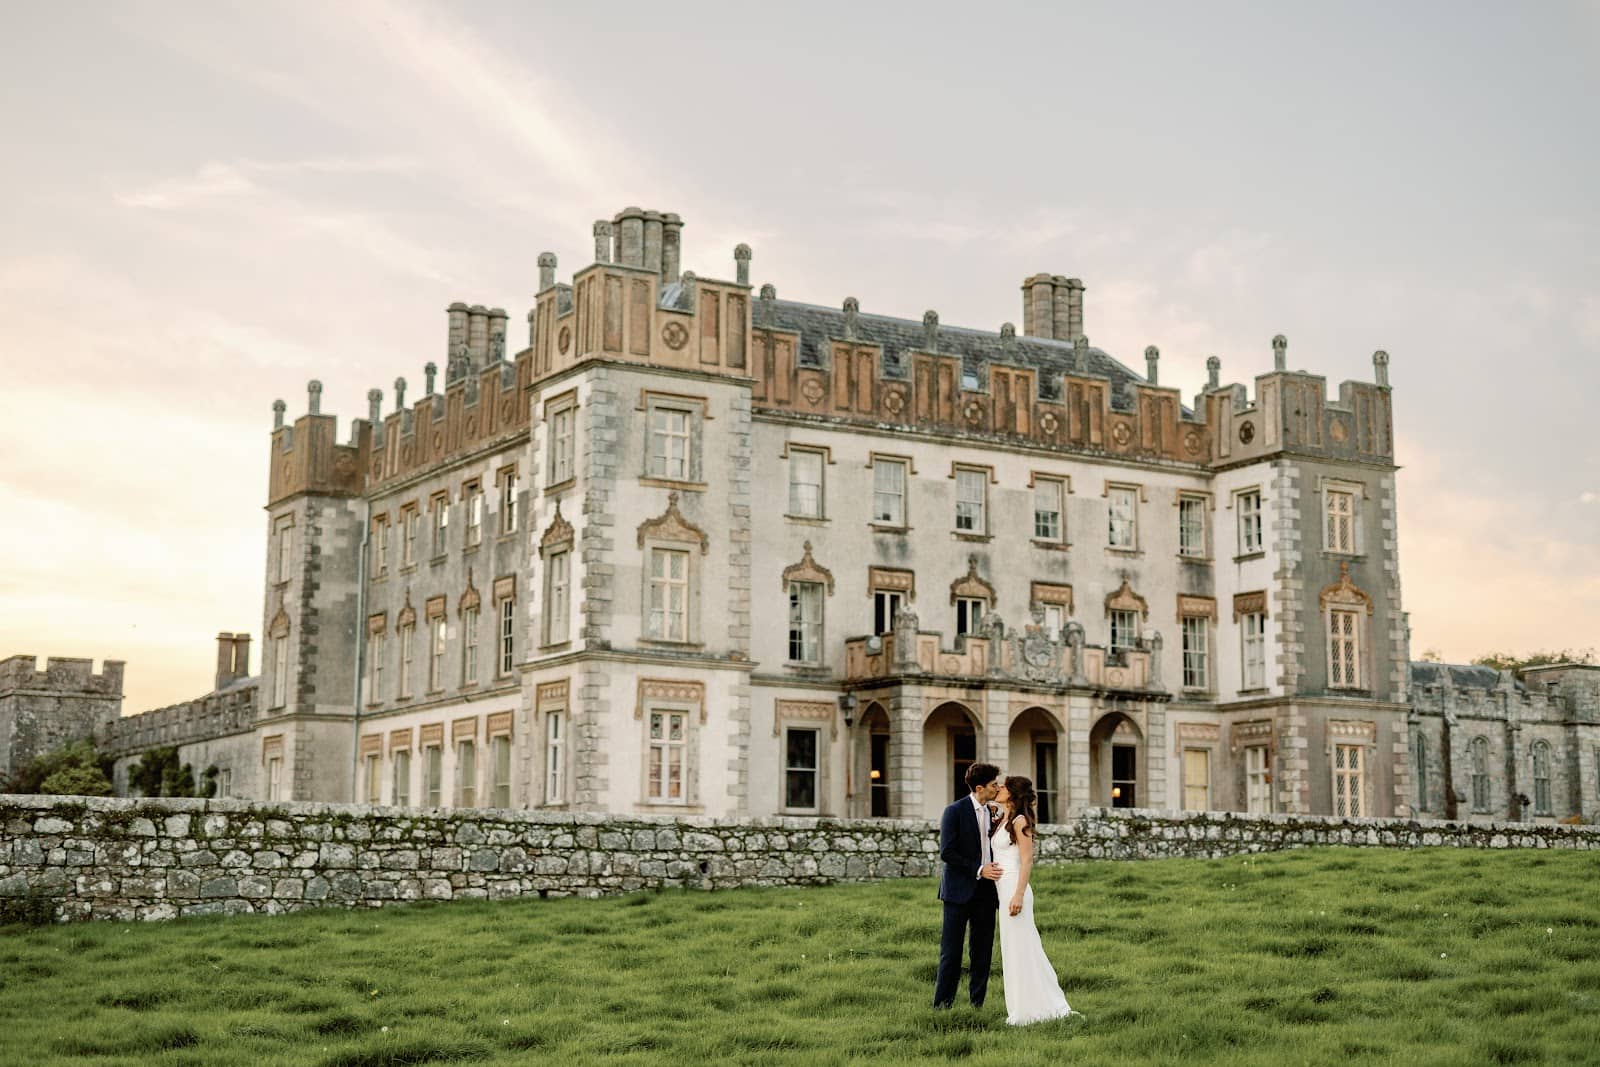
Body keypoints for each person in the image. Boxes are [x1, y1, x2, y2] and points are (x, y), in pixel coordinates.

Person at [992, 775, 1075, 1026]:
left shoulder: (1020, 821)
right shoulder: (1002, 819)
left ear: (1014, 794)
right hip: (1002, 889)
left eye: (1004, 787)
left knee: (1024, 948)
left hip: (1015, 889)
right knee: (1012, 950)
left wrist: (1018, 894)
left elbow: (1027, 860)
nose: (999, 789)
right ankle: (1021, 1005)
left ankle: (1036, 1008)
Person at [933, 762, 1003, 1009]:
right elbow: (947, 852)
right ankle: (942, 1005)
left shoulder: (994, 812)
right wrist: (978, 869)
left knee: (982, 952)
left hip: (986, 893)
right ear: (980, 787)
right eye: (994, 785)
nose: (998, 788)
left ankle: (977, 1005)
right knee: (951, 953)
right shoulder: (954, 811)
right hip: (957, 892)